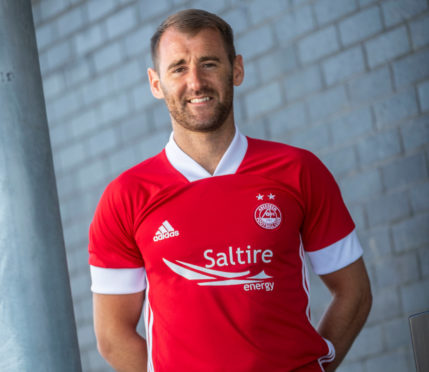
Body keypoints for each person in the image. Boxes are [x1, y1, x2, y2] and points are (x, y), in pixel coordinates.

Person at [88, 9, 372, 372]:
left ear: (236, 69)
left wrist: (317, 366)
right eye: (178, 68)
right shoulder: (125, 198)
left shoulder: (298, 171)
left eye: (209, 63)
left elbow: (354, 292)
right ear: (155, 83)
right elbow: (112, 336)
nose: (195, 81)